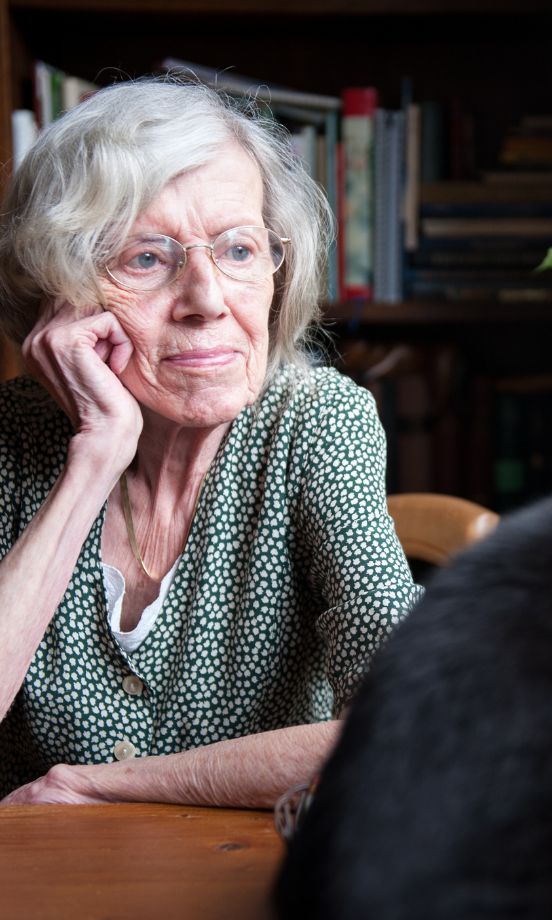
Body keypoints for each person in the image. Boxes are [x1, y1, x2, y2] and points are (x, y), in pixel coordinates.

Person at [0, 76, 423, 807]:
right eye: (146, 259)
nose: (206, 300)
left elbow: (412, 717)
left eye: (237, 250)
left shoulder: (316, 423)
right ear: (60, 289)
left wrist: (101, 789)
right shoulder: (15, 434)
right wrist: (95, 457)